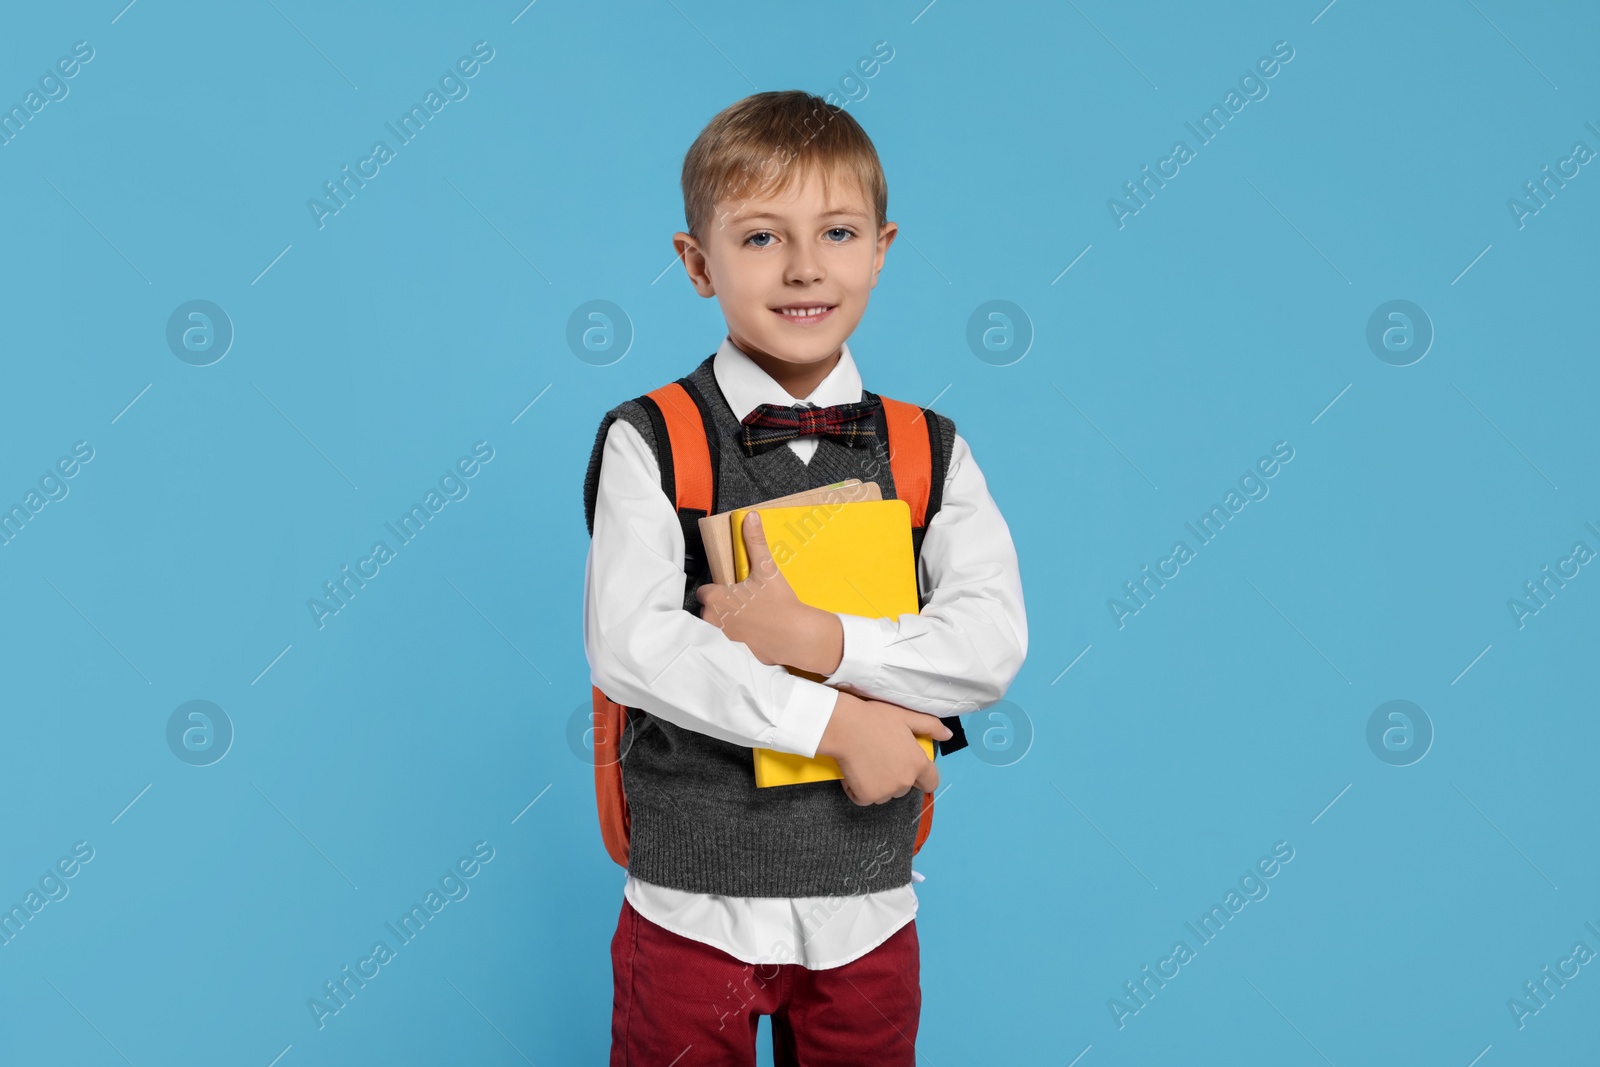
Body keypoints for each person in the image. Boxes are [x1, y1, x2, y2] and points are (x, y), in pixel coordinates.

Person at [582, 89, 1028, 1065]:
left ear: (881, 247)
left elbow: (988, 646)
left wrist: (818, 639)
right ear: (695, 263)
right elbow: (633, 643)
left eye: (835, 231)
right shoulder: (649, 439)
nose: (802, 267)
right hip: (689, 905)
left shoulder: (928, 450)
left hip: (866, 902)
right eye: (758, 237)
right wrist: (841, 723)